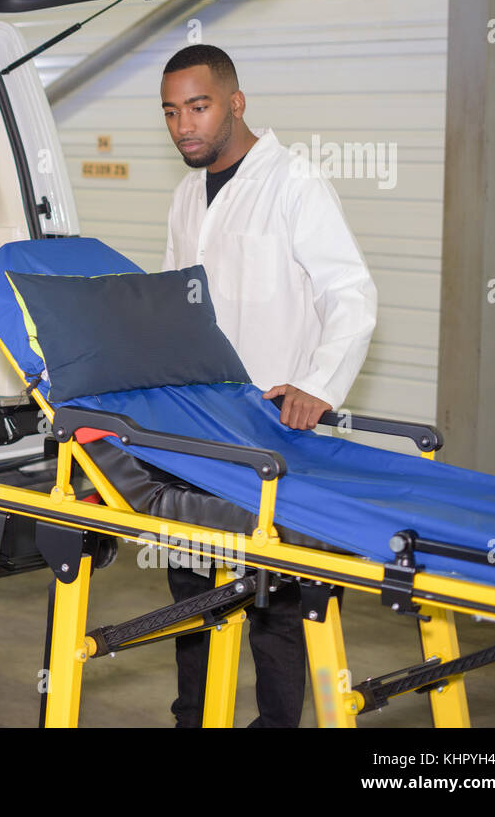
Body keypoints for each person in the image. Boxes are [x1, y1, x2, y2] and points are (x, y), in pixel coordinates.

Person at [157, 43, 377, 726]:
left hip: (275, 434)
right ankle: (194, 717)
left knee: (276, 611)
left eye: (198, 106)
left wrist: (317, 383)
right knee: (191, 596)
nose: (184, 125)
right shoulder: (186, 195)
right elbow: (171, 302)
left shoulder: (294, 183)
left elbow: (352, 293)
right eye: (171, 112)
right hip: (198, 433)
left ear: (235, 102)